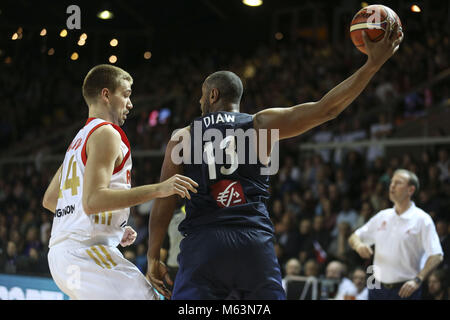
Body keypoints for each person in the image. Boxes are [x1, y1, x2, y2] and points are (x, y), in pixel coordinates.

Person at [146, 23, 404, 300]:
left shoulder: (182, 136)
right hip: (252, 241)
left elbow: (164, 199)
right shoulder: (261, 124)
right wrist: (372, 66)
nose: (199, 102)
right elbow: (327, 109)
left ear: (213, 94)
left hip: (203, 243)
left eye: (201, 95)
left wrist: (152, 256)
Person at [42, 64, 198, 300]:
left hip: (64, 257)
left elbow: (52, 199)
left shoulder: (79, 139)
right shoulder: (107, 133)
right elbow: (93, 201)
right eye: (125, 95)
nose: (130, 103)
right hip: (84, 255)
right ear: (106, 95)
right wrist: (160, 188)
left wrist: (108, 225)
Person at [348, 169, 444, 300]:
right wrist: (358, 245)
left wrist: (418, 280)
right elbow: (354, 236)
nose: (392, 186)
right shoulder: (382, 215)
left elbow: (437, 255)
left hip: (405, 287)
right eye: (391, 182)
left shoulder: (422, 219)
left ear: (410, 190)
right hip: (375, 283)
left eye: (398, 183)